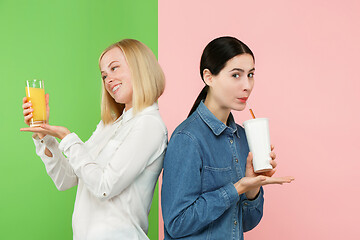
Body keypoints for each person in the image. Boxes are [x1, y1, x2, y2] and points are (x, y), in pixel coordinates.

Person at [21, 39, 167, 240]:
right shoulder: (109, 125)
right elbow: (67, 179)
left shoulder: (149, 125)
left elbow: (104, 187)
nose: (108, 80)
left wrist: (67, 137)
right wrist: (43, 135)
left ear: (140, 67)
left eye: (114, 68)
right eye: (104, 75)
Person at [161, 36, 294, 240]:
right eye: (236, 75)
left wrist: (252, 188)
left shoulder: (243, 138)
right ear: (209, 77)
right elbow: (176, 223)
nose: (247, 85)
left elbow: (247, 223)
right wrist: (237, 188)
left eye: (250, 74)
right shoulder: (187, 139)